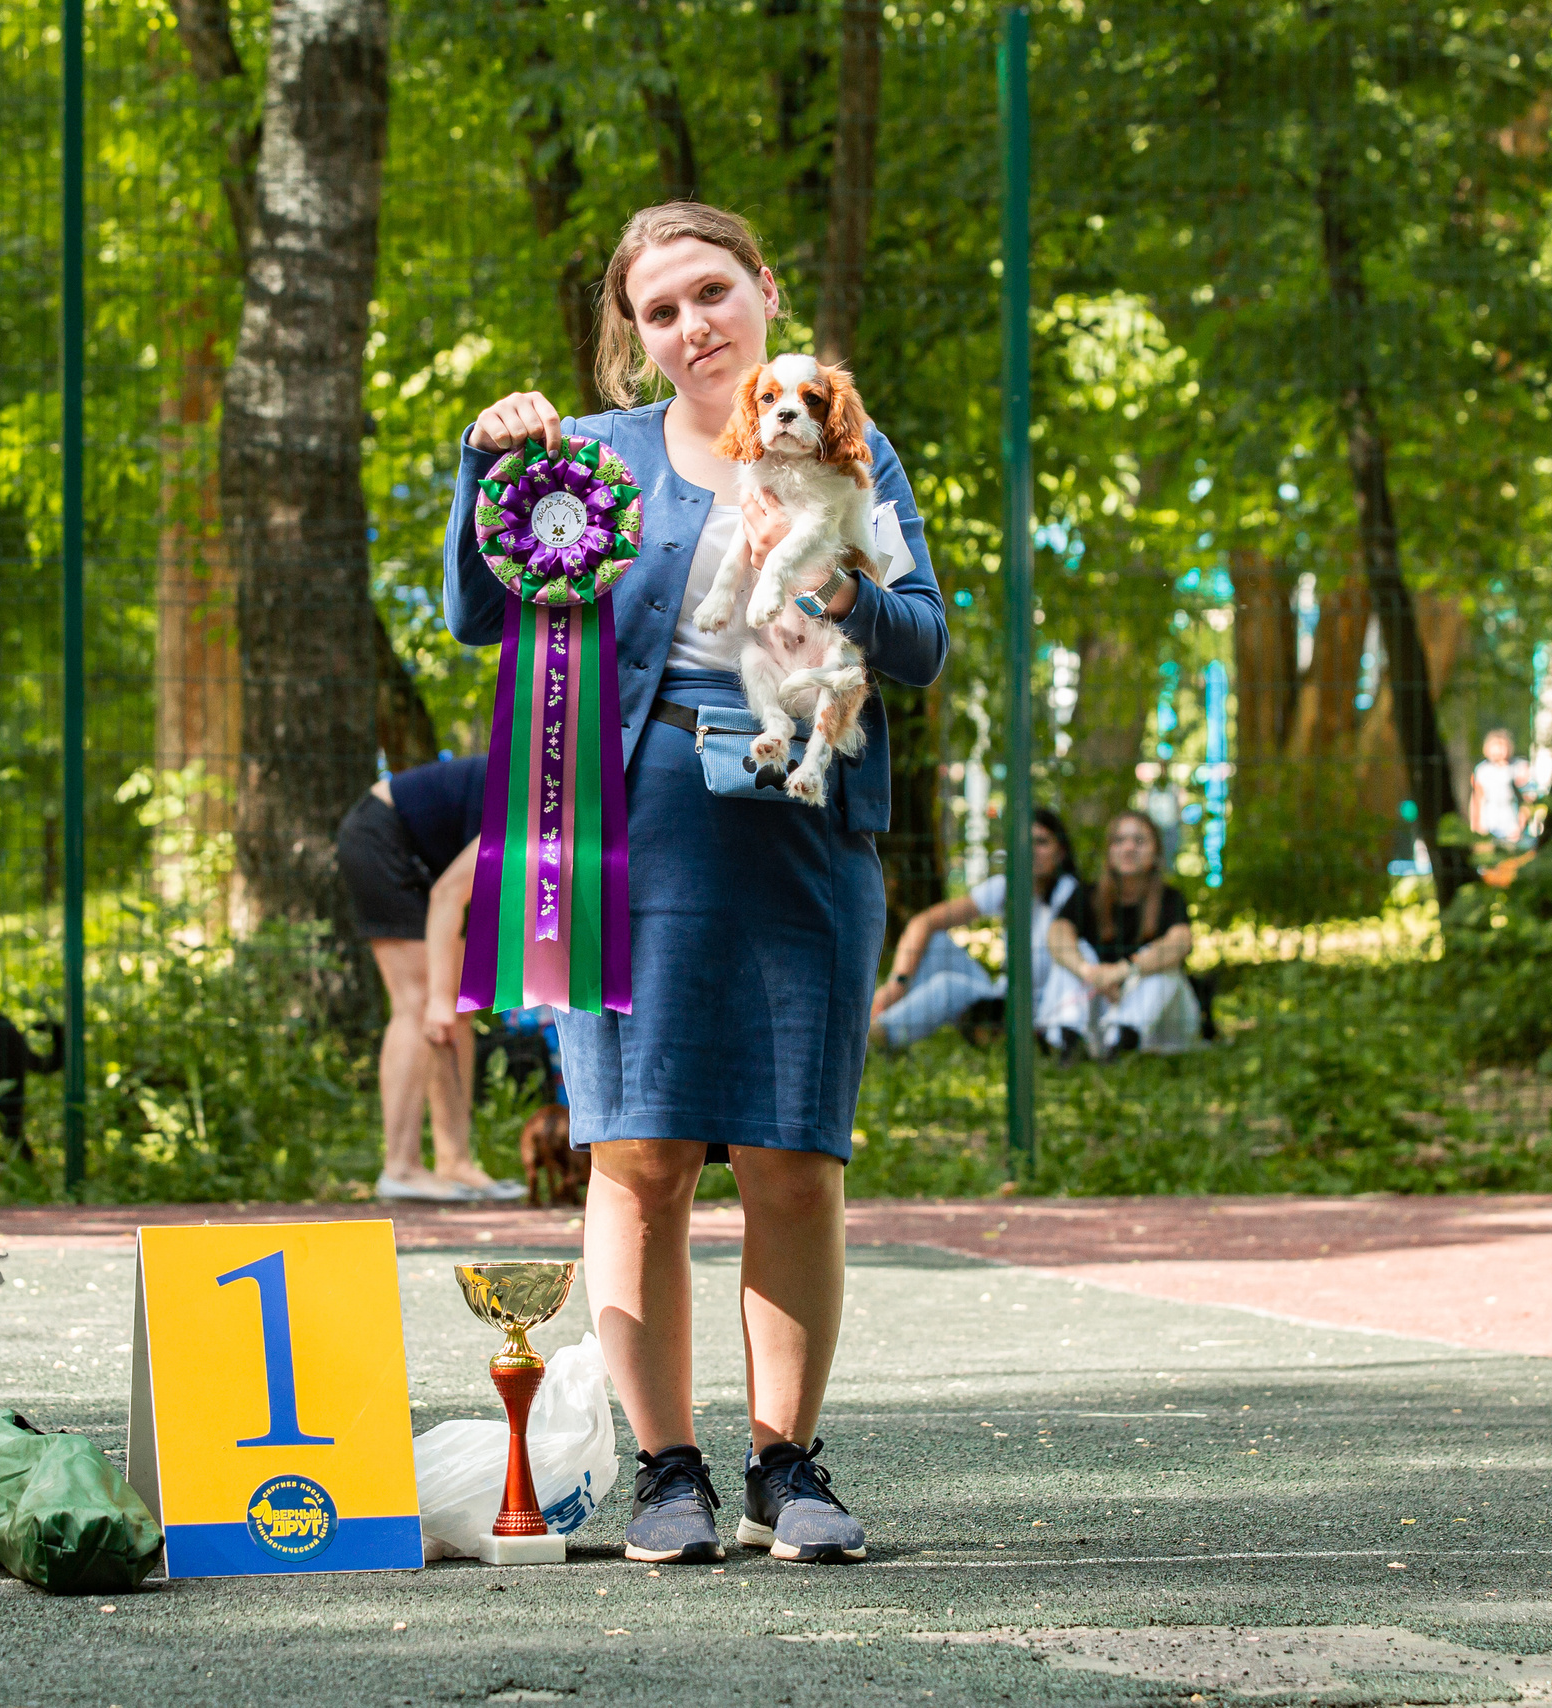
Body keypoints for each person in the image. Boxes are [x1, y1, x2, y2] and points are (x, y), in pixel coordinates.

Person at [444, 201, 947, 1566]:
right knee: (641, 1159)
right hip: (633, 833)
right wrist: (481, 465)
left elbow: (922, 642)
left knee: (794, 1164)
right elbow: (478, 612)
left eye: (712, 292)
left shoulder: (848, 443)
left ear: (765, 290)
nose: (693, 327)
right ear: (635, 337)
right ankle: (667, 1474)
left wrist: (833, 580)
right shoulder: (590, 457)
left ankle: (789, 1469)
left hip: (804, 827)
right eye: (660, 312)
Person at [335, 757, 523, 1203]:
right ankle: (400, 1167)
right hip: (380, 836)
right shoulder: (533, 812)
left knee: (460, 1007)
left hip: (425, 858)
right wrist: (440, 996)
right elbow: (447, 896)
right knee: (421, 1003)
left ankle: (455, 1162)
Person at [869, 808, 1079, 1052]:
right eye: (1025, 842)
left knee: (948, 986)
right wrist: (897, 984)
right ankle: (888, 1020)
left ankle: (880, 1036)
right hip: (1002, 998)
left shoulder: (1070, 893)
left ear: (1061, 852)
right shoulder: (1007, 887)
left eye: (1042, 842)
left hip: (1041, 1010)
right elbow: (923, 922)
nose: (1032, 850)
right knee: (936, 942)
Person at [1037, 810, 1201, 1061]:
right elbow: (1057, 934)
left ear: (1156, 851)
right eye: (1119, 840)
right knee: (1074, 951)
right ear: (1109, 850)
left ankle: (1123, 1042)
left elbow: (1180, 943)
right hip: (1101, 1012)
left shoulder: (1170, 898)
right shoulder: (1087, 895)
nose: (1128, 848)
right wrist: (1088, 972)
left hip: (1161, 1026)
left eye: (1139, 841)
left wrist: (1122, 972)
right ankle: (1069, 1039)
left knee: (1163, 966)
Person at [1469, 728, 1530, 843]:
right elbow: (1476, 798)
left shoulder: (1517, 768)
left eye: (1502, 745)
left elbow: (1526, 800)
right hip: (1488, 824)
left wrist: (1520, 826)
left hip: (1511, 824)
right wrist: (1475, 826)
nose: (1498, 750)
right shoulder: (1481, 770)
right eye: (1495, 745)